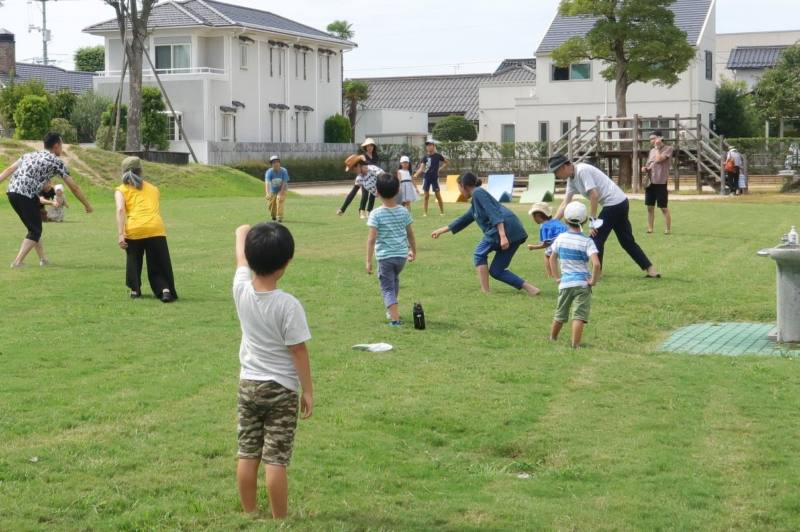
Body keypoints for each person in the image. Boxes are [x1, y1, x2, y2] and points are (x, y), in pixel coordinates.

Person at [233, 222, 313, 519]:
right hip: (281, 389)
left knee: (248, 451)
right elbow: (298, 351)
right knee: (275, 459)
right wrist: (308, 390)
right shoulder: (288, 305)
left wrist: (241, 232)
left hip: (248, 385)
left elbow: (240, 260)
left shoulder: (240, 289)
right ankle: (280, 519)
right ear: (286, 263)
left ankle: (250, 512)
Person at [549, 154, 660, 278]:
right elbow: (565, 202)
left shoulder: (582, 170)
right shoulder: (572, 179)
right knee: (627, 241)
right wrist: (552, 223)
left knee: (596, 237)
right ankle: (651, 270)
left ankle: (597, 274)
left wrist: (592, 222)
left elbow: (594, 195)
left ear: (565, 166)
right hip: (621, 202)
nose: (556, 175)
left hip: (613, 204)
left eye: (556, 171)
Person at [431, 172, 541, 296]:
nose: (459, 191)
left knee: (479, 253)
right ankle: (531, 288)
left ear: (463, 185)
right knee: (496, 271)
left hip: (505, 229)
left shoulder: (478, 193)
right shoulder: (475, 202)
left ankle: (485, 292)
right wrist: (441, 230)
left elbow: (493, 213)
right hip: (515, 230)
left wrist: (503, 236)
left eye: (459, 188)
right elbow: (463, 220)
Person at [0, 132, 93, 268]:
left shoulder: (29, 155)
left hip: (12, 192)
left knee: (34, 227)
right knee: (35, 230)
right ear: (56, 146)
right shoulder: (56, 162)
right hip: (25, 194)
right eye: (62, 145)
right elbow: (74, 187)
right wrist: (87, 205)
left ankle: (43, 260)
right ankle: (17, 262)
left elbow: (9, 169)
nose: (62, 148)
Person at [114, 156, 178, 302]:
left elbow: (120, 210)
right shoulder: (154, 189)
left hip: (134, 228)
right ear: (141, 171)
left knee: (133, 260)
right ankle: (165, 290)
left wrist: (120, 234)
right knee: (158, 262)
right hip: (155, 228)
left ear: (123, 172)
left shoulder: (121, 190)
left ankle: (135, 290)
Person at [549, 201, 602, 349]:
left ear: (565, 219)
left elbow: (552, 258)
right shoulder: (587, 241)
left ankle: (552, 337)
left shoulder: (560, 238)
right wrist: (593, 280)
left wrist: (557, 277)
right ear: (585, 221)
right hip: (582, 284)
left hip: (565, 283)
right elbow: (596, 264)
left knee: (560, 313)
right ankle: (575, 344)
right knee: (579, 315)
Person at [366, 173, 417, 326]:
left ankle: (395, 319)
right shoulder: (403, 211)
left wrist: (368, 261)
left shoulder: (376, 214)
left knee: (387, 287)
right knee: (394, 281)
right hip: (401, 257)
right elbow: (410, 234)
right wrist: (413, 251)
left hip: (385, 257)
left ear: (377, 192)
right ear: (397, 191)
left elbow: (371, 239)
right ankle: (391, 311)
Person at [337, 139, 379, 218]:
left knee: (373, 194)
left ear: (373, 147)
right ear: (365, 147)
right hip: (363, 176)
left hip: (372, 176)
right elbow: (359, 164)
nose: (370, 147)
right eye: (368, 146)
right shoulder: (362, 156)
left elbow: (375, 167)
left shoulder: (376, 157)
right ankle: (347, 209)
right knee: (359, 192)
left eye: (371, 146)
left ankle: (369, 211)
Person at [642, 130, 673, 234]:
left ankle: (668, 229)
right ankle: (650, 228)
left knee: (663, 207)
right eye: (650, 139)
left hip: (661, 183)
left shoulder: (668, 149)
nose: (652, 140)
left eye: (653, 138)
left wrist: (658, 148)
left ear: (660, 138)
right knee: (649, 207)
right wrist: (645, 168)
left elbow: (659, 159)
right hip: (650, 183)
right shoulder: (651, 151)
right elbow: (649, 164)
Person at [527, 202, 567, 278]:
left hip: (559, 244)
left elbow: (546, 244)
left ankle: (551, 275)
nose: (533, 219)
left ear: (538, 216)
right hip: (567, 242)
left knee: (547, 255)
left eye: (533, 216)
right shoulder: (556, 221)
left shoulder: (544, 226)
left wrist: (533, 247)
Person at [414, 139, 448, 216]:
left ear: (433, 146)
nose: (428, 147)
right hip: (426, 178)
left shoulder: (438, 156)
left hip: (435, 178)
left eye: (430, 145)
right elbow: (421, 168)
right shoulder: (425, 157)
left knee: (438, 195)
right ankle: (425, 213)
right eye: (427, 145)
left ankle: (442, 212)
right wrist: (416, 174)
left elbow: (446, 162)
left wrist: (439, 169)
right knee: (426, 196)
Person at [264, 155, 288, 222]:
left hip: (282, 189)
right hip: (273, 190)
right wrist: (267, 193)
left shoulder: (284, 171)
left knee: (279, 200)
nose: (276, 164)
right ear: (271, 164)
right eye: (274, 162)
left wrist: (281, 192)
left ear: (280, 163)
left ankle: (279, 217)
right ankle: (273, 216)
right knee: (271, 206)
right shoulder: (269, 172)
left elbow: (284, 182)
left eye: (277, 162)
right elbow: (267, 183)